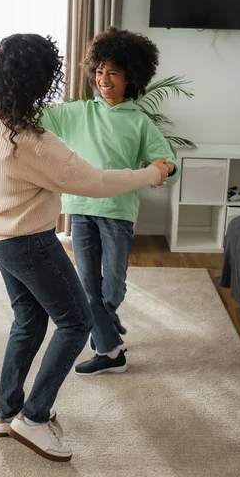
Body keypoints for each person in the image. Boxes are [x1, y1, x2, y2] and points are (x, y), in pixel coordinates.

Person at [0, 33, 171, 463]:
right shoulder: (33, 142)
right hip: (29, 241)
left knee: (28, 321)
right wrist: (150, 174)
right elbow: (98, 182)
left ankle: (6, 412)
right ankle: (33, 417)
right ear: (42, 82)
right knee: (76, 323)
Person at [41, 27, 181, 376]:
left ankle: (105, 325)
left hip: (118, 214)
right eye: (99, 70)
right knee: (89, 288)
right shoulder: (77, 113)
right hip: (82, 212)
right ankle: (111, 352)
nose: (104, 79)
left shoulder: (139, 122)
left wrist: (167, 167)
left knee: (112, 289)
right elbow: (35, 117)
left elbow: (168, 165)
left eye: (113, 72)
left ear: (131, 77)